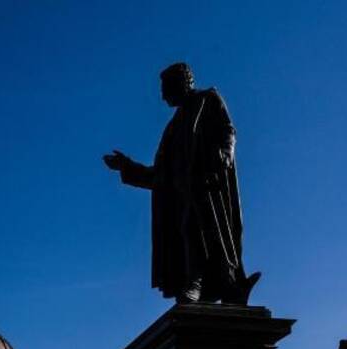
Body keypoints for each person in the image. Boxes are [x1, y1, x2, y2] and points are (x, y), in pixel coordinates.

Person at [104, 62, 260, 304]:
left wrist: (225, 153)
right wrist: (127, 166)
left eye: (166, 88)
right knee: (188, 233)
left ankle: (201, 282)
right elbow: (160, 175)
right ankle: (229, 287)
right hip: (179, 194)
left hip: (206, 185)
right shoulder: (173, 128)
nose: (163, 95)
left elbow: (228, 129)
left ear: (183, 83)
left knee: (198, 229)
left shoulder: (208, 99)